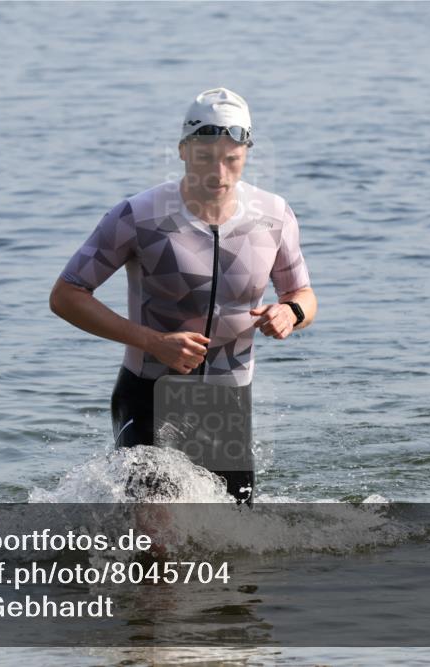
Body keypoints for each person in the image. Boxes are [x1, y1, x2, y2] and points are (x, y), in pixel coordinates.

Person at [50, 87, 317, 505]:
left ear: (247, 152)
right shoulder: (139, 216)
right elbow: (66, 295)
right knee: (154, 542)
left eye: (231, 158)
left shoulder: (274, 215)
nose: (219, 172)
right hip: (151, 392)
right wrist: (153, 342)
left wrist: (290, 311)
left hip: (226, 401)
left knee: (231, 542)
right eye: (205, 156)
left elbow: (302, 294)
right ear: (182, 150)